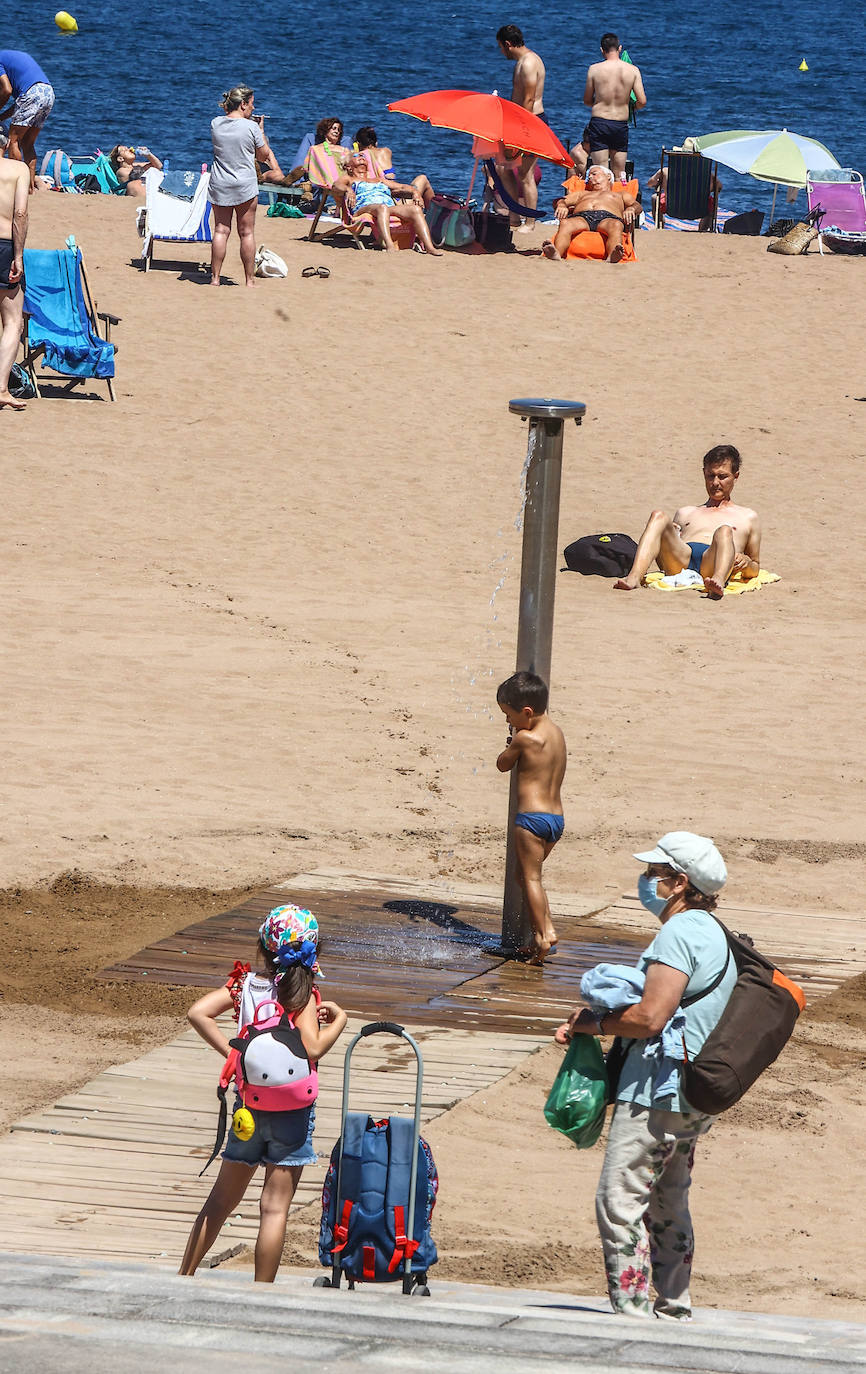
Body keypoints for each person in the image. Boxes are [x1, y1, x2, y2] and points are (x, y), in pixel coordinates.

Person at [555, 831, 736, 1320]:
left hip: (656, 1089)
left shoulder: (678, 933)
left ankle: (633, 1313)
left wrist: (589, 1023)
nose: (647, 880)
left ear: (680, 882)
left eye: (656, 873)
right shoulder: (716, 933)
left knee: (619, 1199)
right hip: (692, 1093)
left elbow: (651, 1017)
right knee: (668, 1200)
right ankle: (674, 1305)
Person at [179, 904, 347, 1282]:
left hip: (248, 1109)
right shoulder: (302, 992)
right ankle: (261, 1293)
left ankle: (184, 1275)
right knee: (273, 1209)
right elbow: (314, 1048)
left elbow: (198, 1013)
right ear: (313, 951)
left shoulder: (243, 986)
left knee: (221, 1201)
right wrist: (342, 1021)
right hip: (292, 1113)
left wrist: (234, 1054)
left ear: (263, 947)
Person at [613, 444, 761, 598]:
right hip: (681, 561)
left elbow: (755, 566)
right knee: (658, 516)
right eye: (711, 476)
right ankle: (634, 577)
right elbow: (663, 562)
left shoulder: (748, 517)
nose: (715, 482)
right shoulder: (686, 512)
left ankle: (717, 582)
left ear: (735, 476)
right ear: (704, 473)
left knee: (724, 530)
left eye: (722, 476)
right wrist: (669, 537)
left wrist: (746, 562)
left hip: (713, 562)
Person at [495, 671, 567, 964]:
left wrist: (510, 742)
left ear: (526, 712)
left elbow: (503, 765)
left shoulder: (524, 738)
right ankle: (541, 933)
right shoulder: (557, 733)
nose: (508, 722)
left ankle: (546, 933)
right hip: (556, 820)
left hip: (531, 819)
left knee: (531, 878)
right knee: (525, 877)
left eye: (508, 716)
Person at [209, 85, 284, 287]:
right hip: (244, 183)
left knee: (221, 230)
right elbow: (262, 156)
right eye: (251, 104)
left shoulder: (215, 123)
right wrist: (260, 131)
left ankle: (215, 278)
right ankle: (249, 280)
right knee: (247, 233)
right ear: (243, 104)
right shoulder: (250, 127)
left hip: (220, 181)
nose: (253, 108)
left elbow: (230, 123)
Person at [333, 152, 444, 254]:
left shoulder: (378, 180)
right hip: (363, 208)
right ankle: (389, 245)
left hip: (386, 207)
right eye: (356, 156)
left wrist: (415, 192)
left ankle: (430, 247)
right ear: (348, 166)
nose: (361, 157)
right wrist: (348, 190)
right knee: (382, 208)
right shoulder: (349, 179)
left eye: (363, 156)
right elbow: (336, 185)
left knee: (415, 209)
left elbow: (401, 186)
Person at [496, 24, 546, 232]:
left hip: (530, 122)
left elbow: (528, 98)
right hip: (519, 121)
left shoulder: (529, 62)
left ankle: (530, 222)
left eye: (500, 47)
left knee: (526, 174)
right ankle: (514, 217)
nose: (500, 51)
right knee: (504, 168)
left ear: (508, 44)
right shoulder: (520, 62)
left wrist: (518, 128)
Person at [542, 165, 637, 261]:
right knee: (566, 223)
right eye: (589, 176)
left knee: (616, 225)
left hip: (609, 218)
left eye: (594, 174)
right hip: (582, 217)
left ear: (608, 176)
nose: (590, 177)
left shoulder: (620, 194)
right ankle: (556, 253)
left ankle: (613, 255)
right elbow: (561, 200)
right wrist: (561, 205)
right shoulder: (583, 193)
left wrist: (631, 209)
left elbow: (637, 205)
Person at [583, 34, 646, 179]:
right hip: (620, 124)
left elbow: (587, 100)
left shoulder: (594, 69)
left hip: (600, 122)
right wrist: (630, 107)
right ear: (620, 48)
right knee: (619, 175)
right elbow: (642, 101)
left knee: (601, 174)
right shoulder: (633, 70)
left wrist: (599, 103)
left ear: (601, 50)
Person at [0, 49, 55, 192]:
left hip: (32, 94)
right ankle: (29, 188)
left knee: (13, 141)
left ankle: (14, 185)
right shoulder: (10, 57)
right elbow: (20, 105)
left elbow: (7, 90)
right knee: (27, 143)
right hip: (48, 92)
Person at [0, 137, 29, 411]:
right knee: (12, 322)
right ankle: (1, 388)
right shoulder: (18, 169)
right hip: (4, 246)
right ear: (6, 142)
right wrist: (18, 256)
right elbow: (19, 213)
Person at [647, 139, 722, 230]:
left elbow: (650, 184)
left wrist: (660, 183)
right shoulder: (707, 175)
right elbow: (719, 187)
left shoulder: (666, 172)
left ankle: (660, 226)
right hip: (700, 209)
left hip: (672, 209)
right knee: (712, 201)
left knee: (655, 198)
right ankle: (703, 229)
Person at [354, 126, 435, 209]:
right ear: (375, 142)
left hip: (384, 201)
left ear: (358, 143)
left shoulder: (359, 158)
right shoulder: (386, 151)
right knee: (423, 179)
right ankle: (433, 215)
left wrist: (356, 150)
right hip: (397, 201)